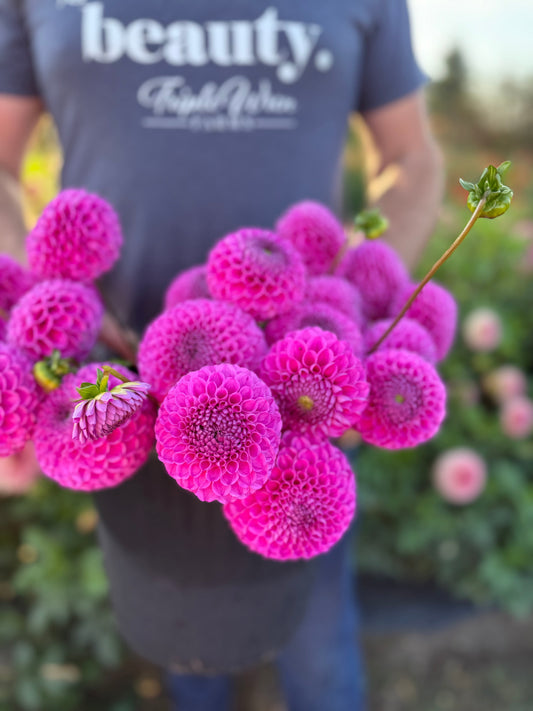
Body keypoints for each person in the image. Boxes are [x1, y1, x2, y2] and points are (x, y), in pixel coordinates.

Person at [0, 1, 443, 709]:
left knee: (319, 648)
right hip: (109, 398)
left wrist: (361, 303)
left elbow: (411, 155)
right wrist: (41, 315)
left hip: (299, 395)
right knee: (184, 645)